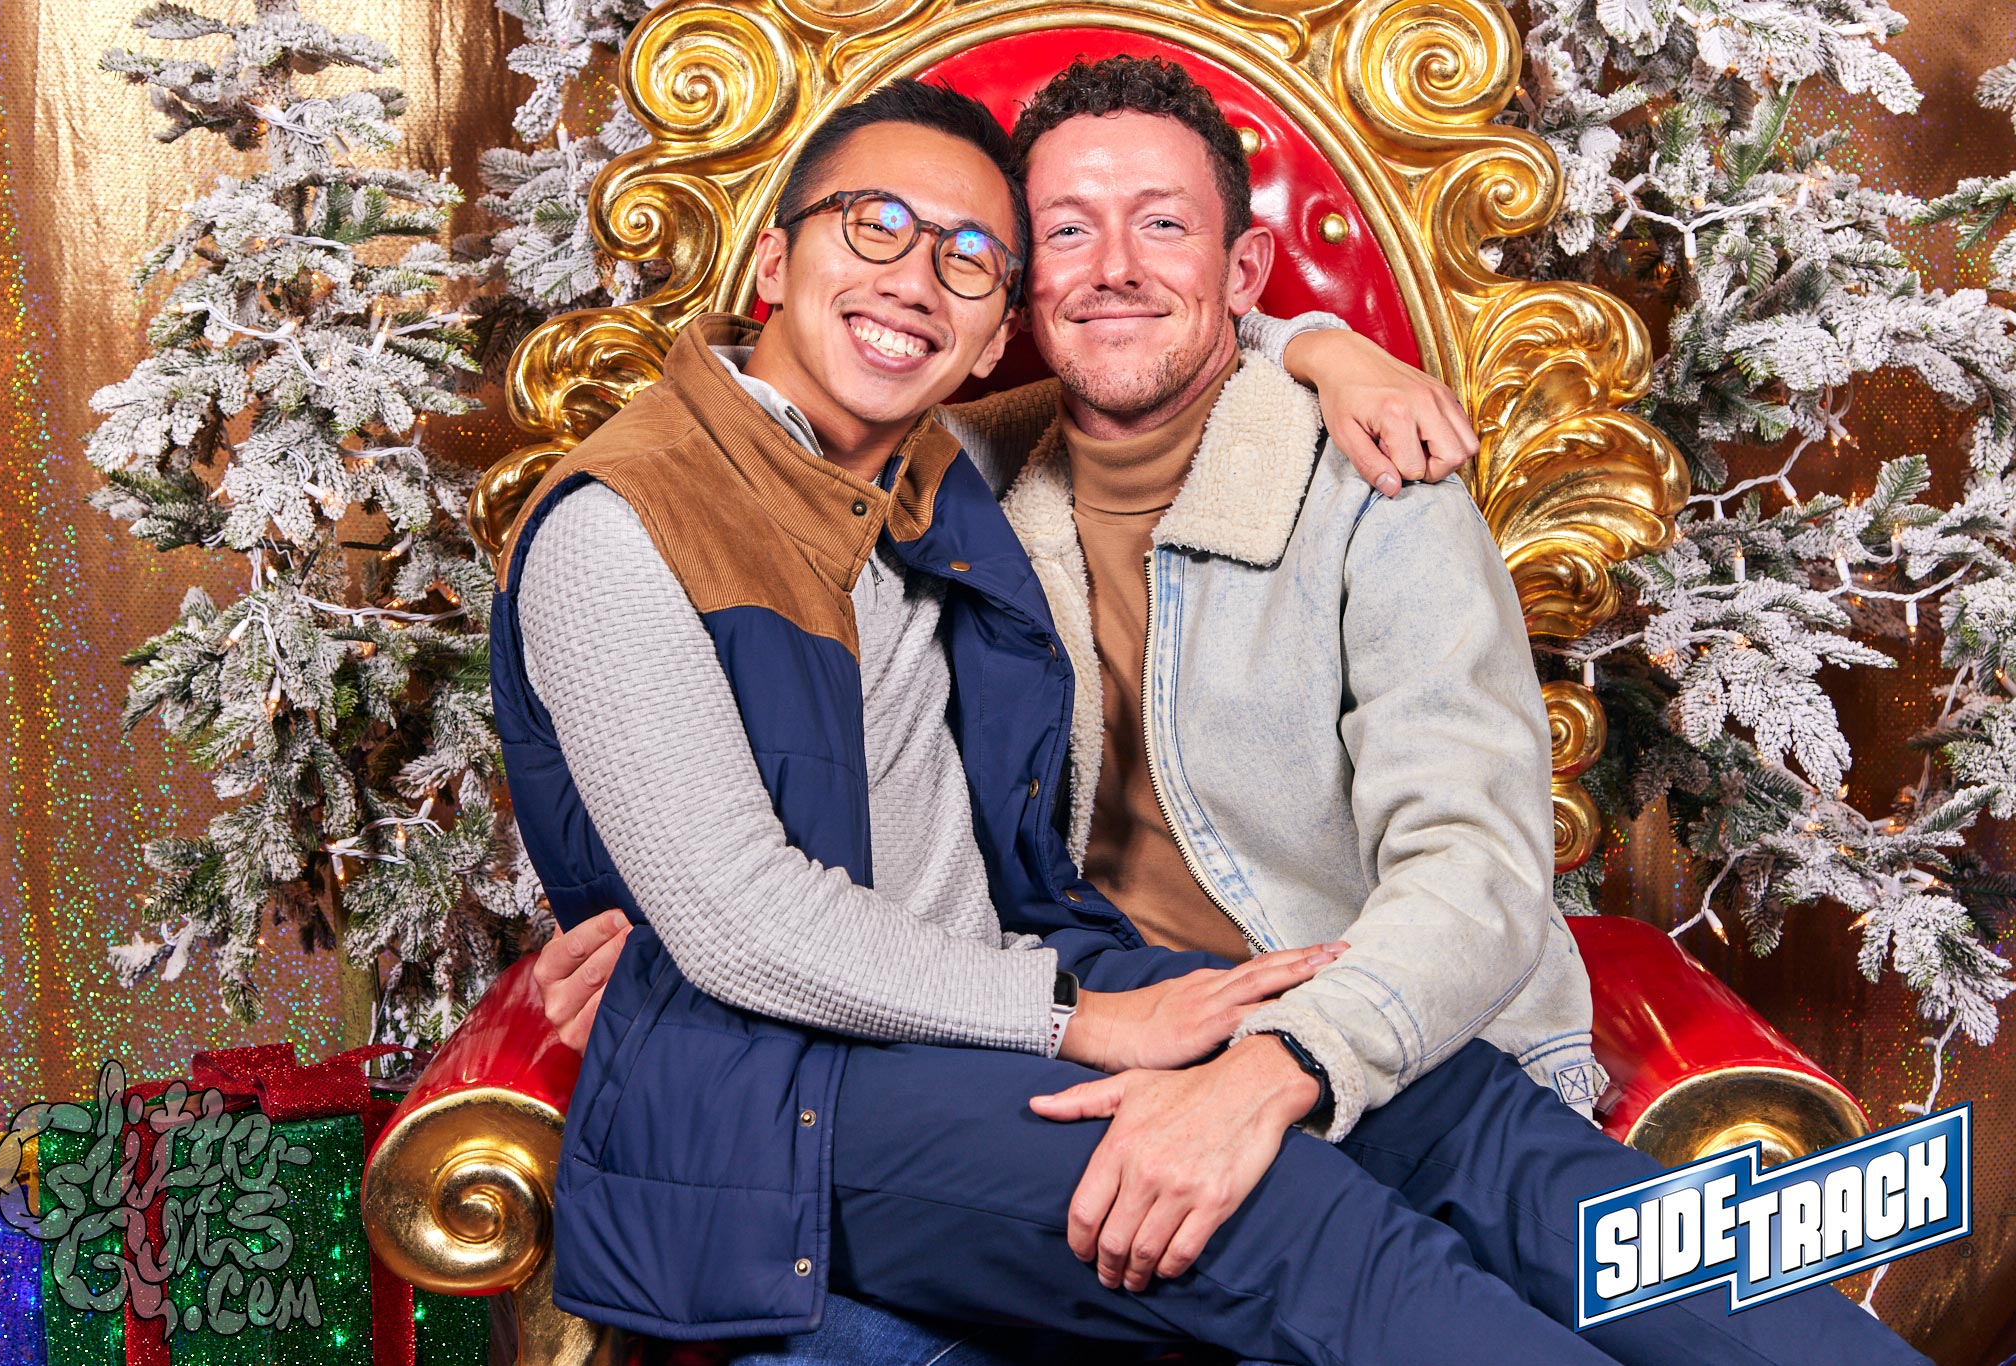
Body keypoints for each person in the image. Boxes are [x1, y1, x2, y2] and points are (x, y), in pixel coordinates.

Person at [503, 68, 1928, 1366]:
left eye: (966, 255)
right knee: (1295, 1222)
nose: (916, 283)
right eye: (1064, 233)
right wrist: (700, 926)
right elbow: (742, 910)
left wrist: (1323, 348)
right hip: (890, 1059)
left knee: (1506, 1151)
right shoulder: (733, 503)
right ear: (775, 260)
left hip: (1254, 997)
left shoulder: (963, 475)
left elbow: (1479, 867)